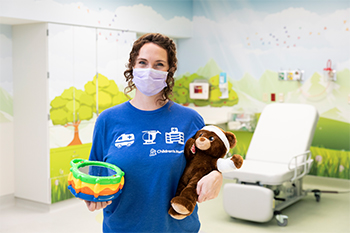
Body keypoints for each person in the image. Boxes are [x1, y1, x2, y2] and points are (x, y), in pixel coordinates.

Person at [85, 33, 223, 232]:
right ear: (132, 67)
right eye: (142, 62)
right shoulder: (108, 120)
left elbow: (207, 164)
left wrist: (217, 175)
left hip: (176, 228)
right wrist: (91, 196)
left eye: (159, 64)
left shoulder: (190, 120)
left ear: (169, 71)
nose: (149, 70)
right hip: (123, 227)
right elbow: (95, 175)